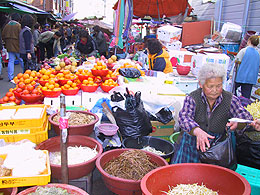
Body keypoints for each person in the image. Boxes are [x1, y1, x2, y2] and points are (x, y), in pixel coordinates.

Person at [172, 63, 253, 163]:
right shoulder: (193, 98)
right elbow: (184, 117)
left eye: (218, 86)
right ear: (201, 84)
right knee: (185, 174)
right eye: (210, 86)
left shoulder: (230, 99)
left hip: (217, 148)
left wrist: (239, 123)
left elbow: (246, 118)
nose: (215, 90)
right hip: (191, 144)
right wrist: (197, 130)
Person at [2, 13, 24, 83]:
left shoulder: (6, 26)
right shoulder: (18, 26)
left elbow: (3, 35)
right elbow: (21, 36)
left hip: (9, 46)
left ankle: (10, 77)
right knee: (21, 60)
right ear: (18, 19)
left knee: (11, 61)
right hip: (17, 46)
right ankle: (25, 74)